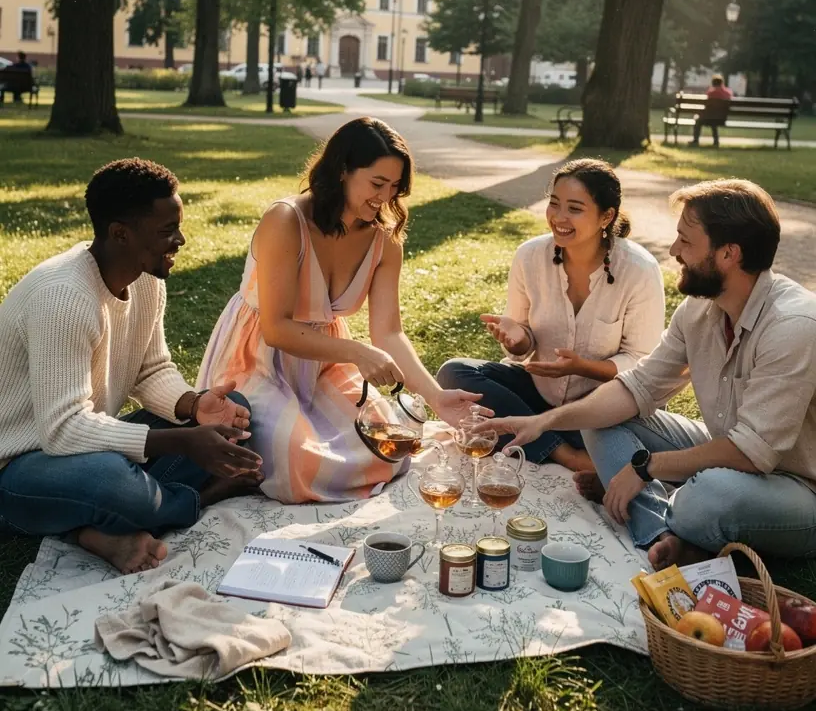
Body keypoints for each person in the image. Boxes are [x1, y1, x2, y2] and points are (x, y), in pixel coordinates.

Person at [490, 179, 816, 568]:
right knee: (603, 420)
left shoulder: (792, 324)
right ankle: (661, 535)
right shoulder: (699, 310)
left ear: (728, 254)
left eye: (685, 241)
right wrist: (546, 421)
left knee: (710, 494)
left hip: (797, 486)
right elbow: (637, 386)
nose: (674, 251)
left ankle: (666, 508)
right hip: (723, 447)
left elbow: (750, 452)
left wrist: (643, 468)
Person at [196, 117, 484, 502]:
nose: (385, 197)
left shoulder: (384, 241)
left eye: (395, 187)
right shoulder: (286, 220)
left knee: (389, 448)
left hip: (323, 363)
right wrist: (358, 352)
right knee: (296, 457)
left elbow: (389, 333)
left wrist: (435, 396)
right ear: (343, 170)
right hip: (256, 359)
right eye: (377, 183)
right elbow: (277, 329)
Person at [0, 159, 263, 575]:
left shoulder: (145, 279)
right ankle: (196, 499)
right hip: (18, 467)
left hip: (81, 448)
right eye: (166, 231)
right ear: (120, 233)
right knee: (110, 479)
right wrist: (184, 443)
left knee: (235, 411)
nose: (180, 239)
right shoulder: (63, 299)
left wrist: (195, 407)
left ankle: (99, 524)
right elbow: (62, 429)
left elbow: (150, 368)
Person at [437, 159, 665, 472]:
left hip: (597, 409)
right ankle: (565, 454)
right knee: (454, 372)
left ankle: (538, 437)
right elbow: (523, 343)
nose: (559, 217)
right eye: (554, 204)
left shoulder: (640, 270)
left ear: (606, 216)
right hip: (536, 396)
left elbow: (644, 364)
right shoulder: (529, 256)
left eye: (574, 208)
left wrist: (583, 368)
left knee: (626, 433)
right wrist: (517, 340)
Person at [690, 74, 733, 147]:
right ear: (722, 83)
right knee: (714, 121)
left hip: (708, 118)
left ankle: (695, 140)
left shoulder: (710, 93)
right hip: (721, 119)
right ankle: (716, 141)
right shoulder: (727, 93)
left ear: (713, 83)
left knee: (698, 120)